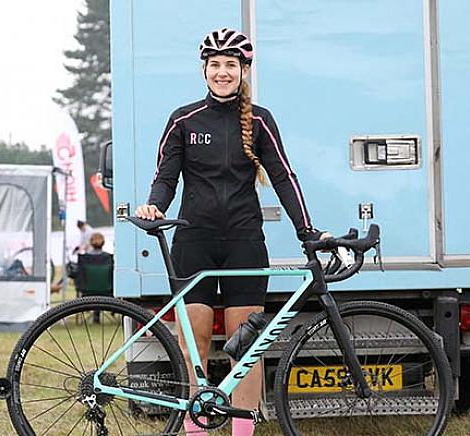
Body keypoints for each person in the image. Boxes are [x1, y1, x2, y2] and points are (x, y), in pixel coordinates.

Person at [135, 28, 328, 436]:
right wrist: (155, 204)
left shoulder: (260, 120)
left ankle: (243, 430)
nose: (222, 72)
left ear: (243, 71)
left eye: (230, 65)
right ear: (204, 70)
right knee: (195, 342)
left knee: (248, 347)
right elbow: (166, 177)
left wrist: (307, 231)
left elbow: (283, 177)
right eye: (215, 65)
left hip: (244, 241)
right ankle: (196, 428)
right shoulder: (183, 120)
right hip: (193, 241)